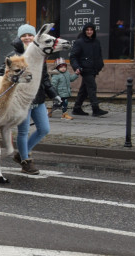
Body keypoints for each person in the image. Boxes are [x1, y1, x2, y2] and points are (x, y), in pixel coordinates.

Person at [12, 24, 59, 175]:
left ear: (35, 37)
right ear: (20, 38)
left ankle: (21, 154)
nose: (27, 38)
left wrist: (54, 94)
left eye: (30, 35)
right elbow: (3, 74)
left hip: (38, 99)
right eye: (24, 35)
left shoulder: (40, 54)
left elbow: (45, 78)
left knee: (44, 129)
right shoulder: (14, 54)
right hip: (22, 101)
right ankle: (26, 161)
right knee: (23, 131)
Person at [69, 23, 107, 117]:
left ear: (93, 31)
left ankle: (77, 108)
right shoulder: (79, 42)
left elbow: (99, 55)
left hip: (94, 68)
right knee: (92, 87)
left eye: (91, 30)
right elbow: (73, 56)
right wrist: (77, 67)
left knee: (84, 89)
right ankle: (95, 109)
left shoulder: (96, 41)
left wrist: (100, 65)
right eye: (87, 30)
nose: (89, 32)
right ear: (84, 31)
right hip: (85, 68)